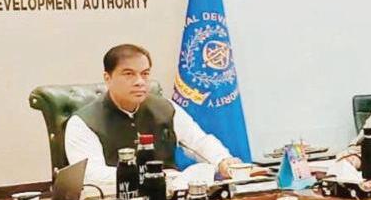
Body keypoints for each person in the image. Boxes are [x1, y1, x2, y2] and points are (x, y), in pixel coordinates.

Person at [65, 44, 242, 185]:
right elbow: (91, 175)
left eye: (145, 74)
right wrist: (153, 175)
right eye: (129, 74)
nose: (139, 82)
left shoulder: (165, 108)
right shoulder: (83, 122)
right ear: (107, 78)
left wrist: (223, 161)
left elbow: (199, 141)